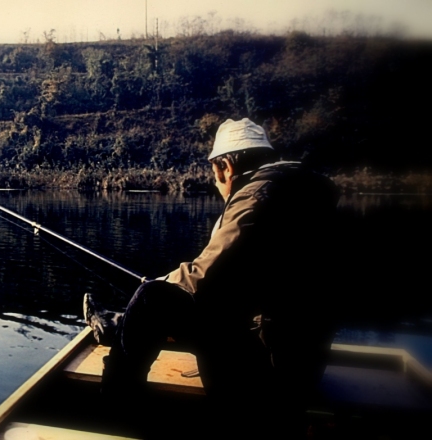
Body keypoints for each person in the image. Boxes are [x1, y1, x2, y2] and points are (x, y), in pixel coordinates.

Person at [84, 118, 340, 438]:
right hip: (300, 364)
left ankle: (114, 408)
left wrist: (164, 285)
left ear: (225, 166)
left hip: (268, 376)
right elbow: (240, 283)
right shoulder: (307, 190)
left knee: (151, 297)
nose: (216, 183)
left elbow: (204, 280)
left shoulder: (257, 198)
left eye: (215, 173)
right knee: (167, 300)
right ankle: (119, 323)